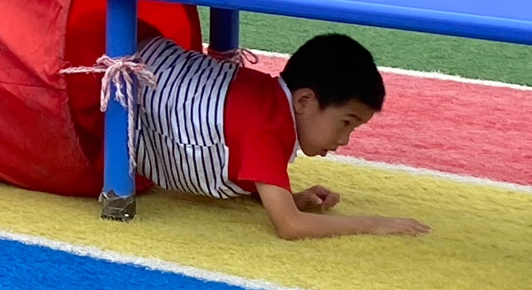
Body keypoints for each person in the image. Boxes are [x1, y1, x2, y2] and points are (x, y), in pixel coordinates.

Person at [119, 32, 429, 240]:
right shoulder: (267, 125)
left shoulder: (266, 95)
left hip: (138, 46)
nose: (344, 140)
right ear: (304, 101)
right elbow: (290, 225)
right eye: (346, 123)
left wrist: (288, 199)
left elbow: (234, 149)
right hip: (111, 83)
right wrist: (373, 223)